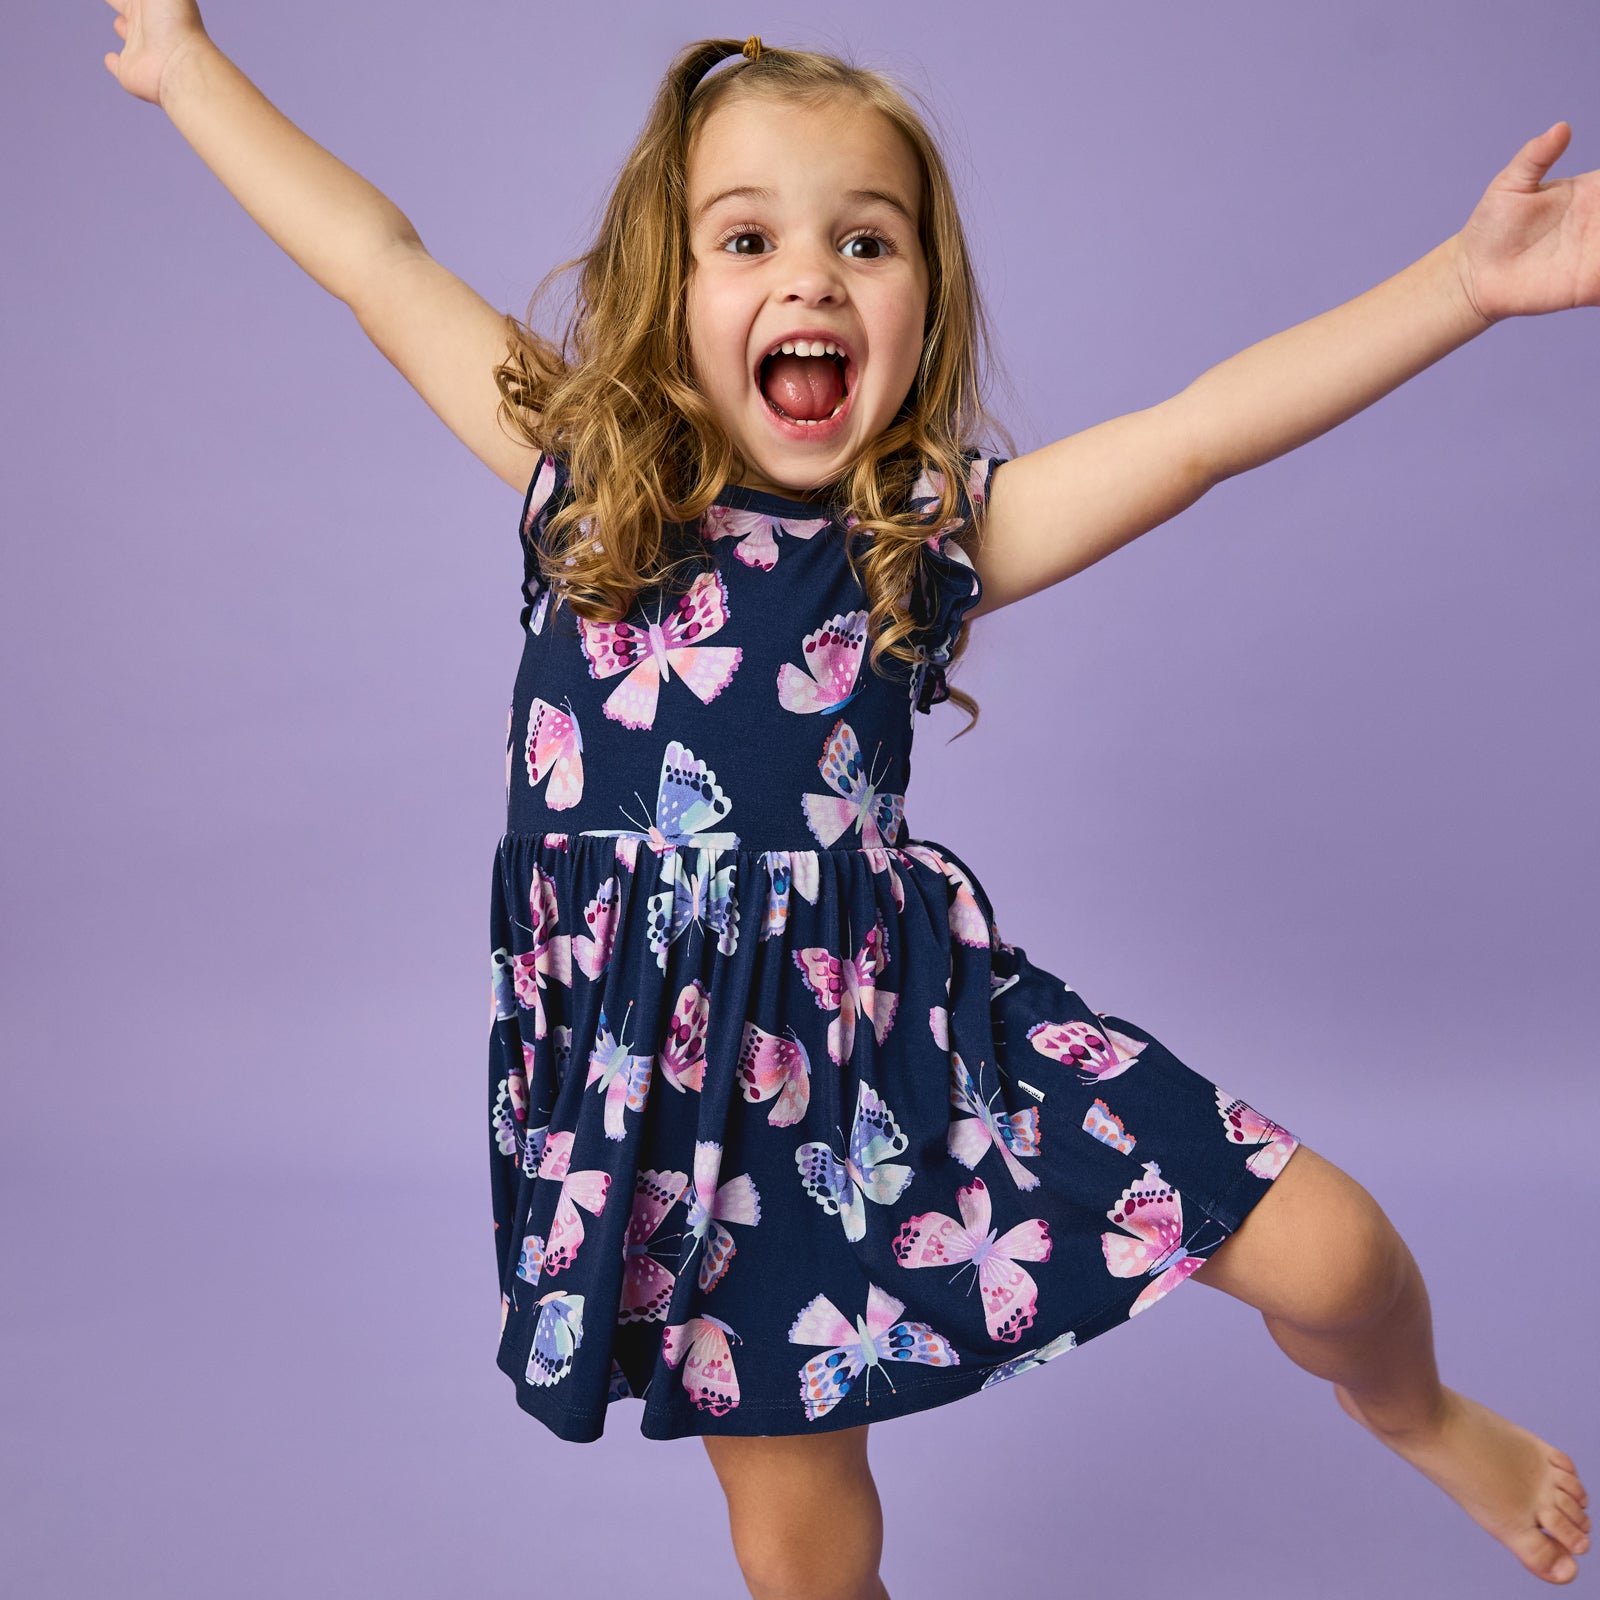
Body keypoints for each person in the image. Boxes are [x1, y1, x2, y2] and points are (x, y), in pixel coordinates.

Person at [105, 8, 1594, 1594]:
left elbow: (1198, 436)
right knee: (809, 1559)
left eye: (864, 243)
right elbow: (376, 257)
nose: (810, 276)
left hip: (907, 1030)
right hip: (692, 1108)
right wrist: (188, 64)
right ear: (661, 297)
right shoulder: (583, 484)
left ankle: (1418, 1412)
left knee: (1343, 1252)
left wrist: (1464, 284)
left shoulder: (924, 536)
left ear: (925, 306)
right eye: (745, 238)